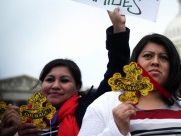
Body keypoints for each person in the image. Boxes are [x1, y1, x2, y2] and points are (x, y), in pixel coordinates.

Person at [17, 8, 130, 136]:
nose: (55, 86)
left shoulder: (89, 107)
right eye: (50, 79)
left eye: (64, 80)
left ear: (77, 87)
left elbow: (116, 71)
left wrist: (118, 28)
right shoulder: (26, 119)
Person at [78, 33, 181, 136]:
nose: (155, 62)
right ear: (134, 63)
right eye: (148, 56)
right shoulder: (104, 104)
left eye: (164, 57)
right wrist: (116, 129)